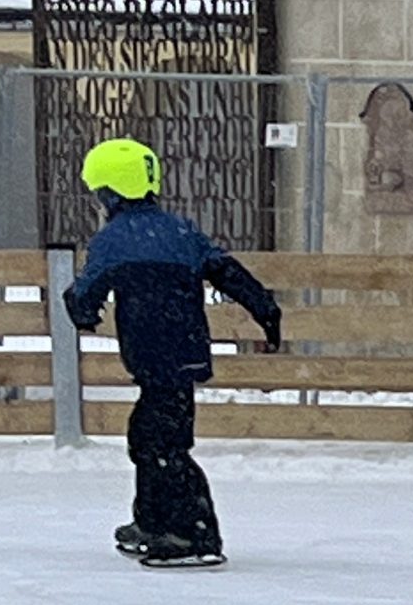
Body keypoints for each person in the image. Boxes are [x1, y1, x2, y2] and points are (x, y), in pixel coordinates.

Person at [64, 138, 281, 568]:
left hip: (153, 355)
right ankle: (152, 522)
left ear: (109, 192)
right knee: (150, 436)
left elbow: (85, 293)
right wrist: (266, 311)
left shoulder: (114, 239)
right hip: (185, 351)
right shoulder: (180, 231)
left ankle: (192, 536)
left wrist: (82, 310)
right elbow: (228, 271)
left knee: (163, 444)